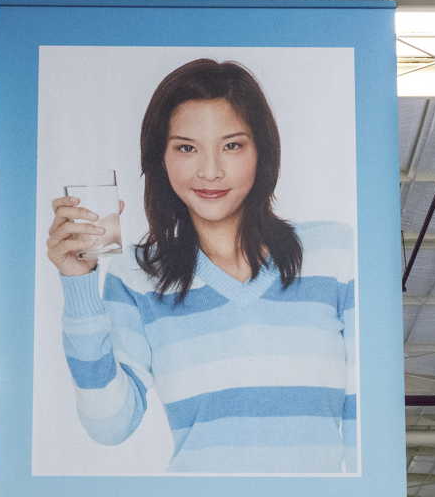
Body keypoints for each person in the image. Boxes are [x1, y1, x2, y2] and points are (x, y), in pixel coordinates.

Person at [46, 58, 357, 474]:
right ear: (161, 159)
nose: (210, 171)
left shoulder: (333, 253)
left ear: (262, 152)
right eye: (187, 148)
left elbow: (365, 411)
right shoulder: (138, 276)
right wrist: (78, 284)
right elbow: (110, 424)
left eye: (232, 145)